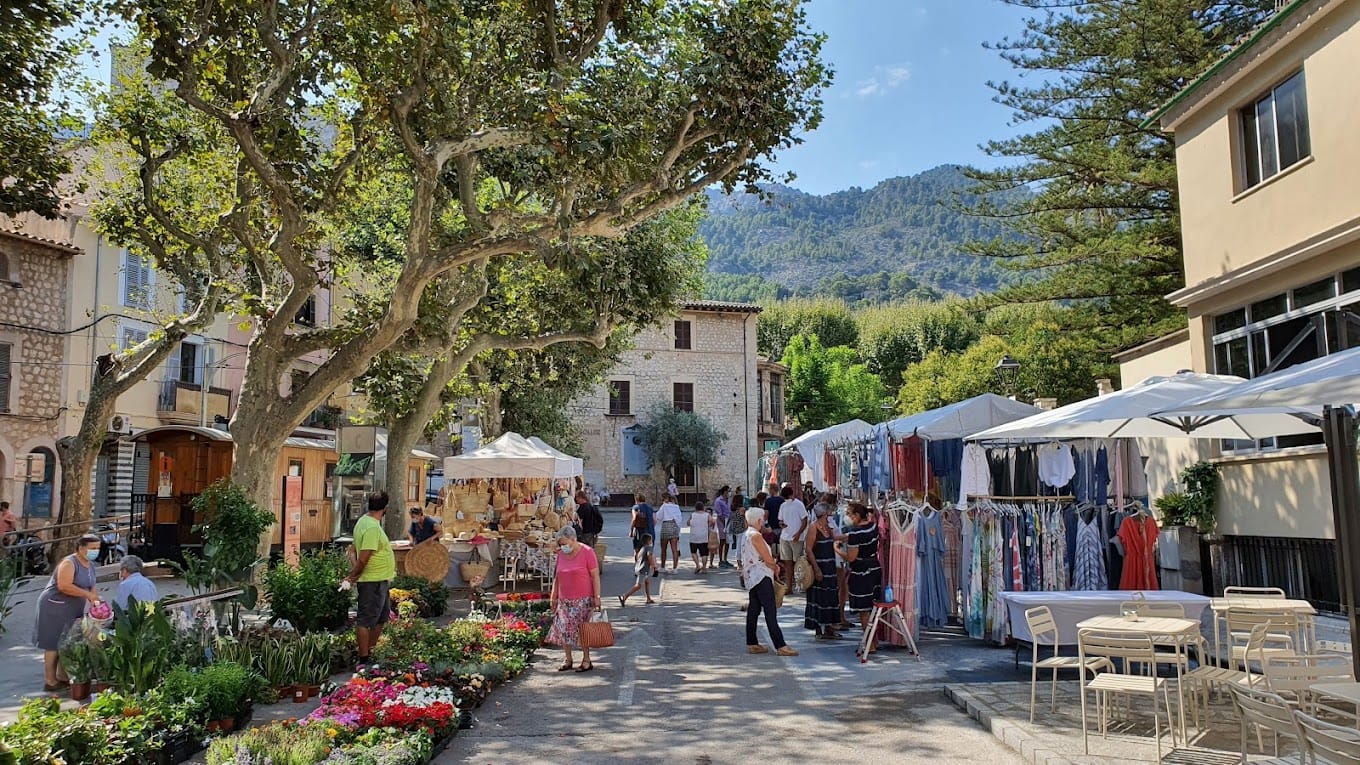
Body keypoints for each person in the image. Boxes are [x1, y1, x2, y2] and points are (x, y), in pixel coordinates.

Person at [34, 534, 103, 691]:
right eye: (92, 548)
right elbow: (64, 586)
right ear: (81, 548)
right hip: (54, 606)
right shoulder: (69, 563)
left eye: (98, 548)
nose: (96, 551)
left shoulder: (90, 565)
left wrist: (95, 601)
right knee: (53, 643)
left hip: (72, 608)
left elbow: (92, 586)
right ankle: (50, 681)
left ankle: (62, 676)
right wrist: (87, 595)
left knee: (67, 642)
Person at [345, 491, 396, 665]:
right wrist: (353, 576)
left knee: (381, 618)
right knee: (366, 619)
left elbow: (352, 550)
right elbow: (364, 557)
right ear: (385, 508)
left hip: (379, 579)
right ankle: (363, 659)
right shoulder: (373, 528)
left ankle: (371, 651)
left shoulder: (363, 521)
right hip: (372, 581)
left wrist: (353, 571)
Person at [740, 507, 797, 657]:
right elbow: (767, 557)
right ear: (759, 520)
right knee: (770, 611)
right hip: (761, 576)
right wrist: (776, 567)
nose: (764, 521)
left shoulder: (746, 534)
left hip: (752, 576)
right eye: (762, 519)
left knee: (754, 609)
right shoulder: (756, 536)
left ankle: (752, 642)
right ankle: (780, 645)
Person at [547, 526, 601, 672]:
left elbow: (595, 576)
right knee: (565, 630)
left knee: (582, 630)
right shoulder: (561, 555)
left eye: (564, 543)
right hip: (565, 599)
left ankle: (586, 660)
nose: (562, 547)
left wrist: (597, 596)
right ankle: (568, 659)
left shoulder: (587, 552)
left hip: (582, 600)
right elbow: (557, 577)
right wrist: (554, 596)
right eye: (560, 544)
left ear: (573, 539)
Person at [837, 502, 883, 654]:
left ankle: (870, 644)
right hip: (875, 568)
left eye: (849, 514)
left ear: (857, 515)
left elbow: (851, 557)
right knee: (873, 607)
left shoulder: (856, 533)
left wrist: (837, 550)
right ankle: (873, 640)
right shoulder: (873, 527)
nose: (848, 517)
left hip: (861, 573)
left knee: (864, 610)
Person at [803, 505, 841, 639]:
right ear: (823, 515)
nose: (829, 517)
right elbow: (808, 549)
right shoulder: (813, 528)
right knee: (819, 597)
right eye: (828, 515)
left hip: (829, 567)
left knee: (830, 596)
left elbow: (835, 538)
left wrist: (849, 536)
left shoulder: (828, 528)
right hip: (820, 567)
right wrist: (816, 568)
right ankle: (818, 629)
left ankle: (830, 627)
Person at [776, 485, 808, 594]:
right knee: (789, 563)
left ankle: (800, 585)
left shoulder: (798, 505)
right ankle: (789, 587)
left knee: (797, 563)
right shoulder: (784, 505)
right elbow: (780, 520)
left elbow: (804, 520)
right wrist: (781, 524)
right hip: (786, 537)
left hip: (795, 537)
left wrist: (798, 533)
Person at [619, 533, 657, 606]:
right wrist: (653, 565)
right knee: (638, 585)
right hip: (643, 569)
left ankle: (648, 598)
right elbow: (649, 556)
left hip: (639, 568)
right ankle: (625, 596)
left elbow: (637, 557)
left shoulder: (642, 548)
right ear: (649, 541)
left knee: (647, 582)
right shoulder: (649, 548)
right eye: (651, 540)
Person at [656, 494, 683, 572]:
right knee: (674, 549)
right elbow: (679, 519)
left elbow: (659, 516)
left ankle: (663, 567)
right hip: (674, 526)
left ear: (665, 499)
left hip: (666, 526)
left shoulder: (664, 506)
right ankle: (675, 568)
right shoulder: (676, 507)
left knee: (663, 549)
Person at [687, 501, 714, 574]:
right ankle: (704, 567)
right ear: (703, 507)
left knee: (693, 552)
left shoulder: (692, 514)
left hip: (694, 536)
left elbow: (688, 523)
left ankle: (697, 565)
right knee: (704, 553)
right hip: (704, 536)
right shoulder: (707, 515)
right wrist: (708, 525)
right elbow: (712, 521)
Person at [711, 486, 733, 568]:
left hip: (728, 521)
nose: (729, 493)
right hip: (722, 523)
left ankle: (725, 559)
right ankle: (720, 560)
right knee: (722, 541)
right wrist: (725, 522)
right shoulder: (718, 501)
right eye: (728, 491)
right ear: (724, 492)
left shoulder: (729, 500)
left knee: (728, 542)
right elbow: (719, 514)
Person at [630, 494, 656, 562]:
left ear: (636, 500)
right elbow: (655, 520)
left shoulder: (636, 507)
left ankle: (638, 565)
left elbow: (634, 519)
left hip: (639, 531)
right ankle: (652, 566)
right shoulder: (650, 508)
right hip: (650, 531)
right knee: (649, 550)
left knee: (637, 549)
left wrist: (631, 530)